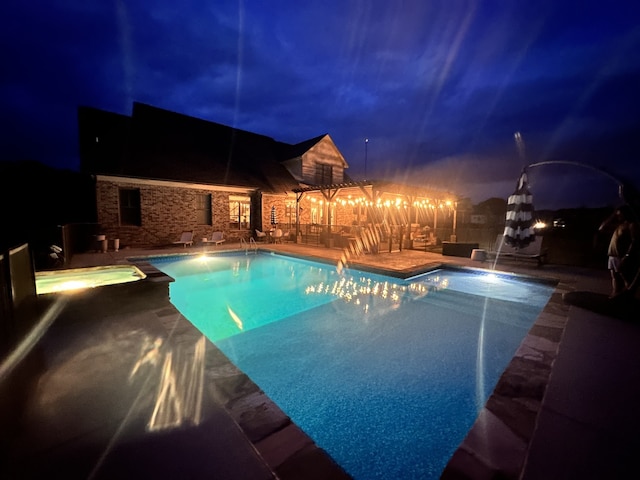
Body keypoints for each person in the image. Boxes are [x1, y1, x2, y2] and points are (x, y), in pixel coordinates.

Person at [598, 204, 639, 298]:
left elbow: (635, 242)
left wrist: (627, 256)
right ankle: (615, 295)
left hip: (622, 256)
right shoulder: (619, 225)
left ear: (626, 214)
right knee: (615, 278)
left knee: (626, 279)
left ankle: (629, 299)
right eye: (617, 215)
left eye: (620, 214)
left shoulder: (631, 225)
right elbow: (602, 228)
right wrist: (613, 215)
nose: (618, 216)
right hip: (612, 256)